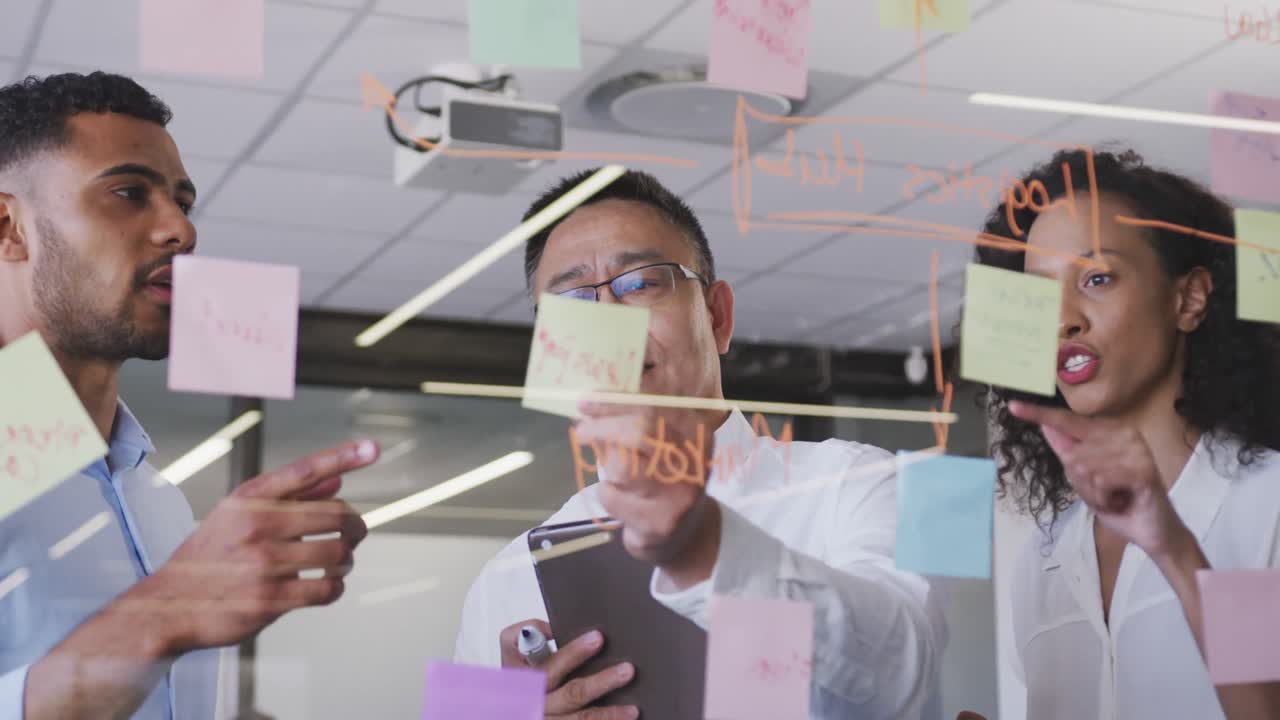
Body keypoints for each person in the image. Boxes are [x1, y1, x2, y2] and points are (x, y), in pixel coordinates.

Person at [454, 169, 947, 719]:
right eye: (572, 300)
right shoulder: (507, 575)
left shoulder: (868, 482)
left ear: (717, 316)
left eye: (639, 283)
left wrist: (712, 554)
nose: (610, 320)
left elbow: (910, 665)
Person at [0, 72, 380, 719]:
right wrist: (169, 609)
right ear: (9, 227)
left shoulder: (158, 502)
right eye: (128, 193)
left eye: (182, 200)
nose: (181, 230)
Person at [976, 148, 1280, 719]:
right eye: (1040, 292)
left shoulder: (1268, 505)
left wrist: (1176, 550)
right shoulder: (1043, 559)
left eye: (1096, 278)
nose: (1063, 317)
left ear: (1188, 298)